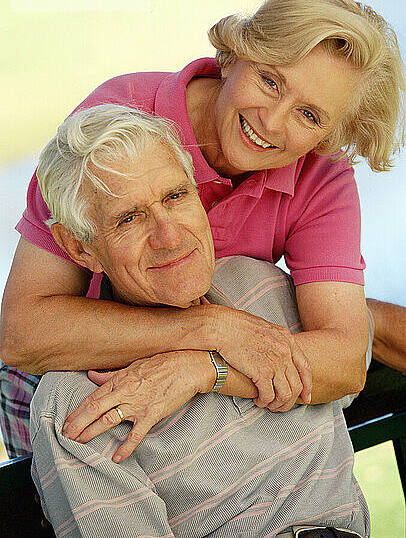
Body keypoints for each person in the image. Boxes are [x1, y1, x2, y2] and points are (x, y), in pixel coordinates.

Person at [1, 0, 405, 458]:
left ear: (330, 133)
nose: (272, 122)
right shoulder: (119, 121)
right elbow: (22, 334)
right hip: (69, 372)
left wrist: (202, 367)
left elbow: (342, 361)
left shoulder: (321, 172)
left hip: (200, 381)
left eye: (309, 114)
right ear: (234, 56)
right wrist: (212, 329)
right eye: (271, 81)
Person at [30, 104, 370, 537]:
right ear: (80, 250)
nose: (169, 235)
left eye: (175, 196)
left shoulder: (263, 286)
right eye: (128, 219)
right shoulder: (80, 403)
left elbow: (347, 367)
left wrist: (208, 369)